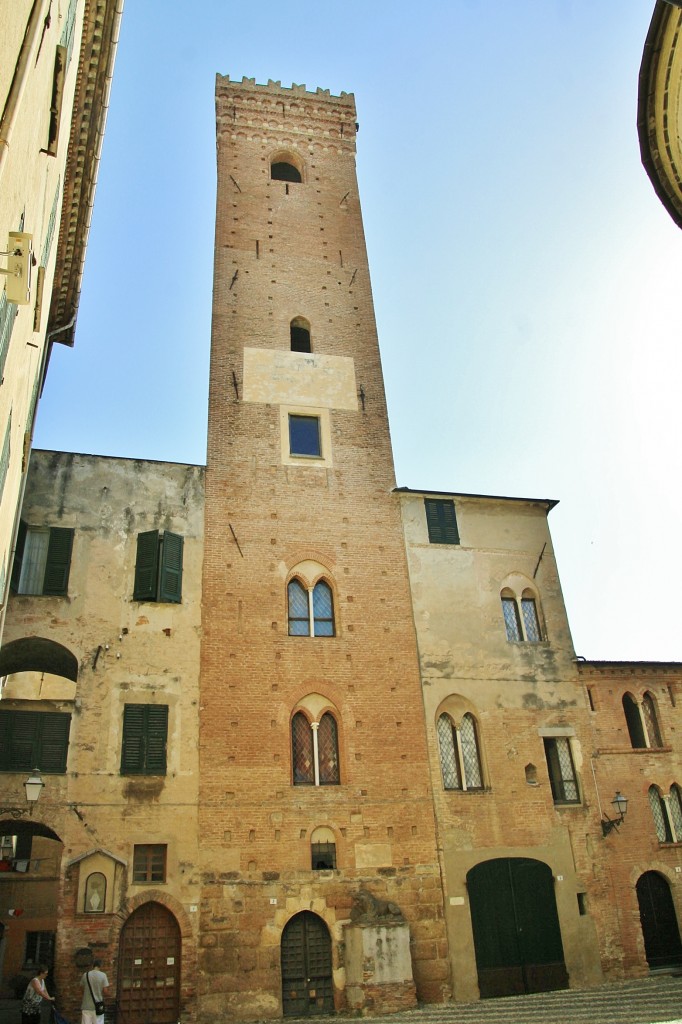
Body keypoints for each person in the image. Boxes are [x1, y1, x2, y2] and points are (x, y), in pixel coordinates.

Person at [80, 960, 110, 1024]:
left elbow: (82, 989)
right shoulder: (103, 975)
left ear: (93, 966)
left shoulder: (85, 975)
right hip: (98, 1006)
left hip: (86, 1006)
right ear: (100, 966)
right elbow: (105, 991)